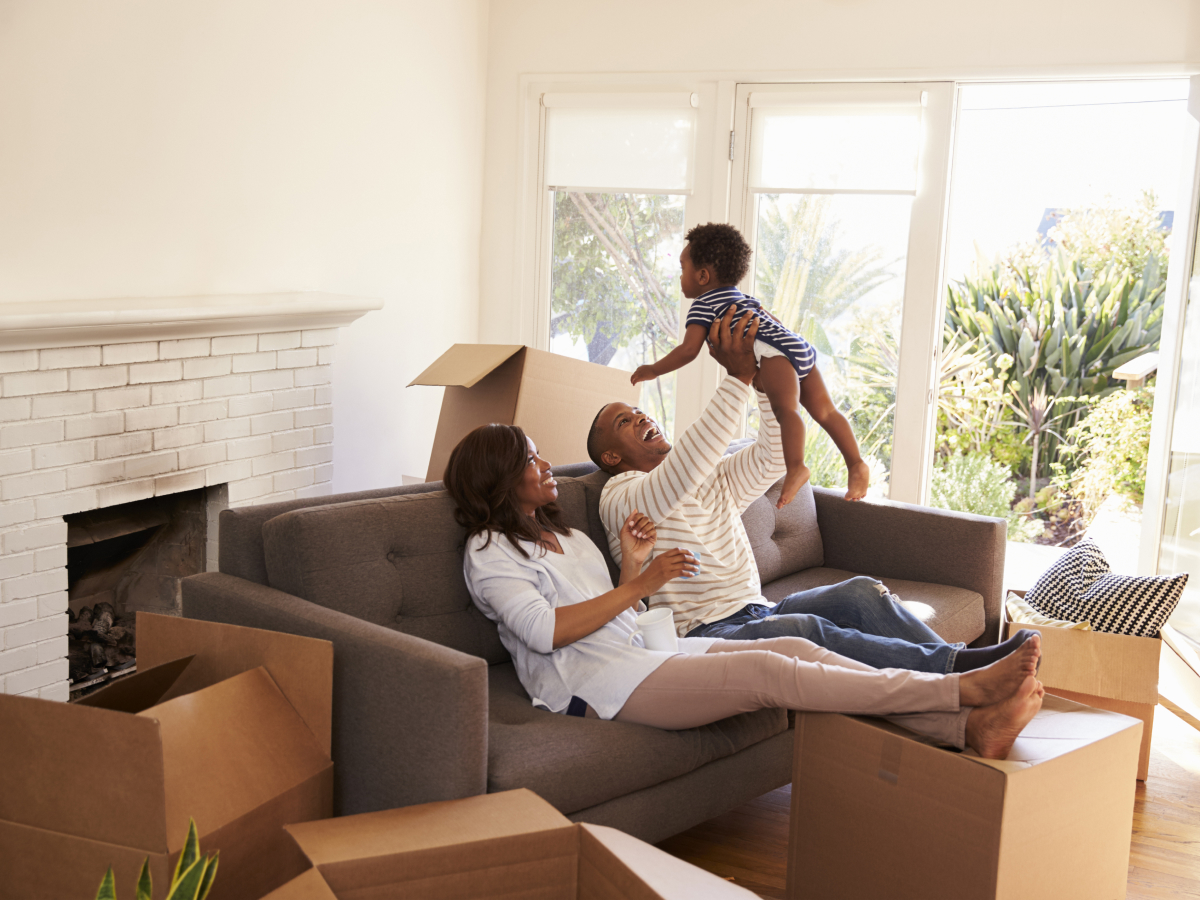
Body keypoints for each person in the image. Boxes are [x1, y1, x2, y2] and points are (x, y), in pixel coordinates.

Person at [443, 421, 1044, 760]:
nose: (546, 463)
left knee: (800, 653)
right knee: (767, 673)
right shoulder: (489, 553)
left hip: (640, 656)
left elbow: (618, 615)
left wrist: (633, 568)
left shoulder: (566, 536)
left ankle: (965, 729)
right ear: (498, 478)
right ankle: (955, 688)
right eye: (530, 457)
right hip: (592, 686)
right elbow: (549, 632)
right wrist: (643, 584)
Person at [596, 301, 1036, 674]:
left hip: (759, 609)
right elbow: (680, 475)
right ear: (611, 456)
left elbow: (771, 458)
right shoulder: (620, 497)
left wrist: (767, 385)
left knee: (862, 591)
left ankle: (964, 666)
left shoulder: (708, 476)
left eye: (640, 411)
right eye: (625, 421)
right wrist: (736, 377)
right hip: (705, 633)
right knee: (809, 632)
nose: (642, 418)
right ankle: (960, 672)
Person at [630, 222, 867, 506]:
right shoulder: (744, 298)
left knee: (786, 409)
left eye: (682, 269)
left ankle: (796, 467)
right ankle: (855, 464)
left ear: (703, 276)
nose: (680, 278)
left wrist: (653, 369)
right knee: (827, 411)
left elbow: (689, 350)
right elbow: (772, 322)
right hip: (795, 343)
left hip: (773, 352)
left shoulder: (704, 305)